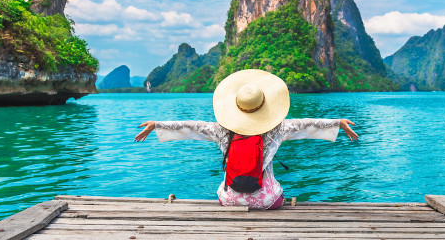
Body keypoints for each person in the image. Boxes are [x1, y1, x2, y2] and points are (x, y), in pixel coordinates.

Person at [134, 69, 358, 210]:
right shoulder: (276, 130)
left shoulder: (222, 131)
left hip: (229, 200)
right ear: (264, 105)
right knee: (277, 192)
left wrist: (157, 125)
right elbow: (307, 124)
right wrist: (337, 122)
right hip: (266, 201)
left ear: (236, 107)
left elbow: (191, 127)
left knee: (224, 189)